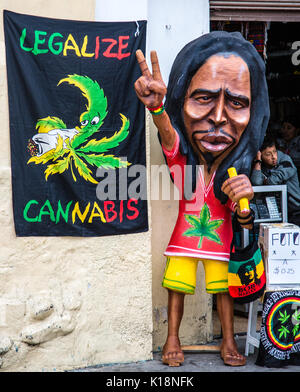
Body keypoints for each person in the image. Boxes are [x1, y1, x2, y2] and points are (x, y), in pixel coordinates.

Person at [134, 31, 269, 367]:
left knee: (223, 290)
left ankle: (227, 339)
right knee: (176, 288)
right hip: (184, 238)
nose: (219, 118)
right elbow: (168, 135)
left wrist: (245, 202)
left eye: (236, 103)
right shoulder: (183, 162)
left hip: (220, 241)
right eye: (204, 99)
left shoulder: (236, 174)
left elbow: (243, 218)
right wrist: (157, 109)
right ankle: (173, 338)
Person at [251, 137, 300, 225]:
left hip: (296, 211)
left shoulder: (285, 160)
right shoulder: (261, 165)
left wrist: (266, 181)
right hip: (279, 213)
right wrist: (257, 161)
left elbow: (272, 181)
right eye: (268, 154)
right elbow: (257, 182)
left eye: (274, 151)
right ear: (260, 155)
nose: (274, 157)